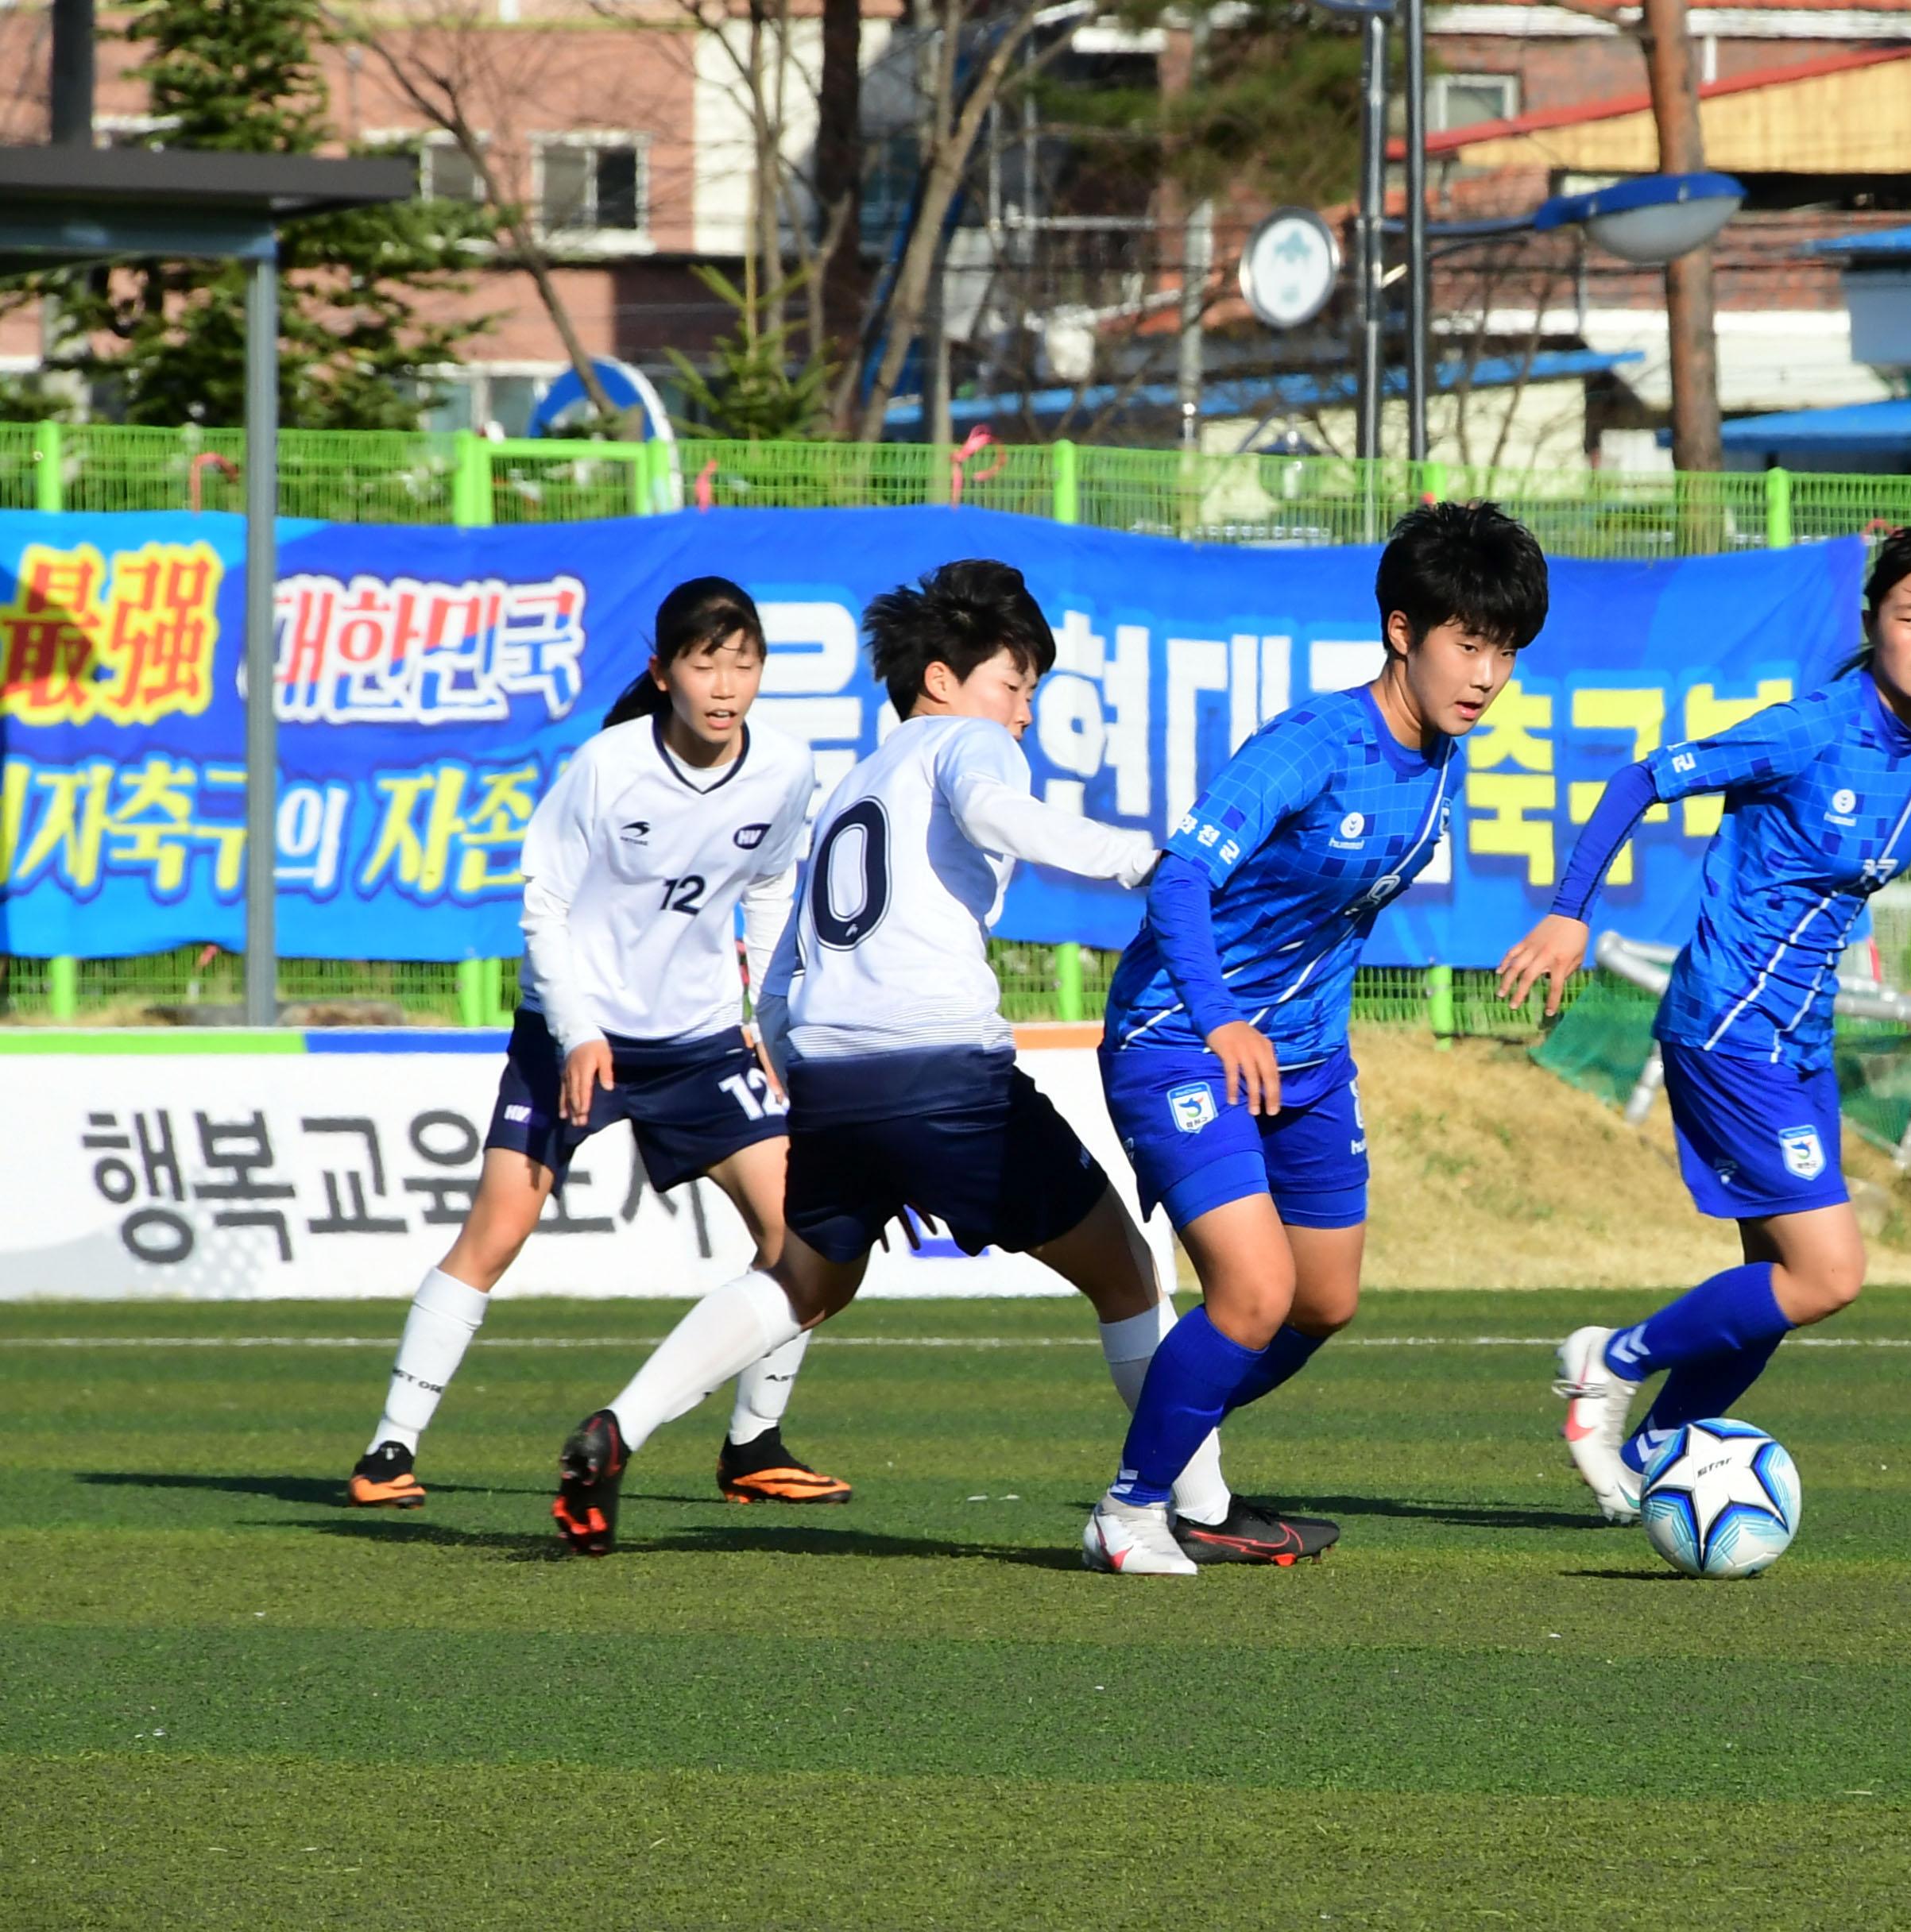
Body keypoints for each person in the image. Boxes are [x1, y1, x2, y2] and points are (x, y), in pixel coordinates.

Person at [549, 558, 1266, 1557]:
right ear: (941, 679)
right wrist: (1143, 861)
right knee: (1129, 1273)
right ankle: (1192, 1507)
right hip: (943, 1071)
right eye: (1014, 685)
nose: (1021, 714)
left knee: (807, 1278)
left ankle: (620, 1424)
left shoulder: (851, 786)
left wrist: (833, 1098)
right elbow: (993, 812)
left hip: (836, 1081)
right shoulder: (965, 745)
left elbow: (781, 986)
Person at [1496, 524, 1911, 1523]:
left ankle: (1665, 1448)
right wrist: (1572, 912)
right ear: (1873, 620)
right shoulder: (1809, 728)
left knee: (1776, 1280)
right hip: (1726, 1026)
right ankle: (1607, 1361)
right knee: (1828, 1271)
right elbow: (1640, 779)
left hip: (1799, 1039)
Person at [1082, 500, 1548, 1575]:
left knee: (1325, 1299)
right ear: (1402, 632)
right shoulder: (1314, 742)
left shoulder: (1443, 755)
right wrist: (1222, 1018)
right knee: (1254, 1293)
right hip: (1181, 1038)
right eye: (1466, 644)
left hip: (1306, 1061)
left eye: (1505, 651)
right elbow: (1184, 877)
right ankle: (1134, 1507)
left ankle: (1173, 1447)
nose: (1485, 674)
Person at [346, 577, 847, 1511]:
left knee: (805, 1239)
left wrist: (772, 1023)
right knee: (495, 1232)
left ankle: (753, 1445)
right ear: (664, 673)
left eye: (744, 663)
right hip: (570, 1032)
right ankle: (388, 1450)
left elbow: (775, 889)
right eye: (706, 662)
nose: (726, 684)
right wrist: (578, 1034)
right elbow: (544, 907)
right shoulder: (609, 767)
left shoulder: (784, 765)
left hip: (700, 1040)